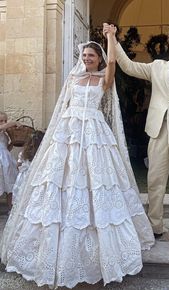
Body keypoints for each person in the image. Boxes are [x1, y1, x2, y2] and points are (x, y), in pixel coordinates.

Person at [0, 26, 154, 288]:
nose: (86, 60)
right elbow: (64, 106)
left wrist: (109, 37)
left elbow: (114, 62)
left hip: (94, 132)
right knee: (63, 180)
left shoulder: (105, 76)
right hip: (69, 132)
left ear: (99, 58)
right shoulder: (73, 79)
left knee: (96, 181)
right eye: (84, 56)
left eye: (91, 57)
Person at [103, 23, 169, 256]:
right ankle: (156, 226)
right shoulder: (157, 67)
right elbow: (128, 66)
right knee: (155, 183)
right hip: (157, 131)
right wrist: (112, 38)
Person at [12, 130, 45, 205]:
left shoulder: (23, 153)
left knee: (22, 193)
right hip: (35, 176)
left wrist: (22, 169)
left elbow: (18, 165)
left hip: (24, 176)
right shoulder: (41, 154)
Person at [0, 111, 19, 211]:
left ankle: (10, 208)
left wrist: (13, 143)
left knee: (10, 183)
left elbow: (6, 148)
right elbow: (4, 127)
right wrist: (14, 123)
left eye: (5, 120)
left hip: (6, 158)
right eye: (1, 121)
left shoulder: (5, 134)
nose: (3, 123)